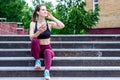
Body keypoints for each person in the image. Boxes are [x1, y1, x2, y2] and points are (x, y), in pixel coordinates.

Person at [29, 4, 64, 80]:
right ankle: (37, 61)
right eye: (43, 10)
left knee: (48, 51)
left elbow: (62, 26)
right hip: (37, 50)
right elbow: (31, 37)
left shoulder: (49, 24)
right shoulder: (33, 24)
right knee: (35, 40)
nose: (45, 11)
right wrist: (39, 31)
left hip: (47, 48)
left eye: (46, 9)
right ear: (38, 12)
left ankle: (46, 72)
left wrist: (52, 18)